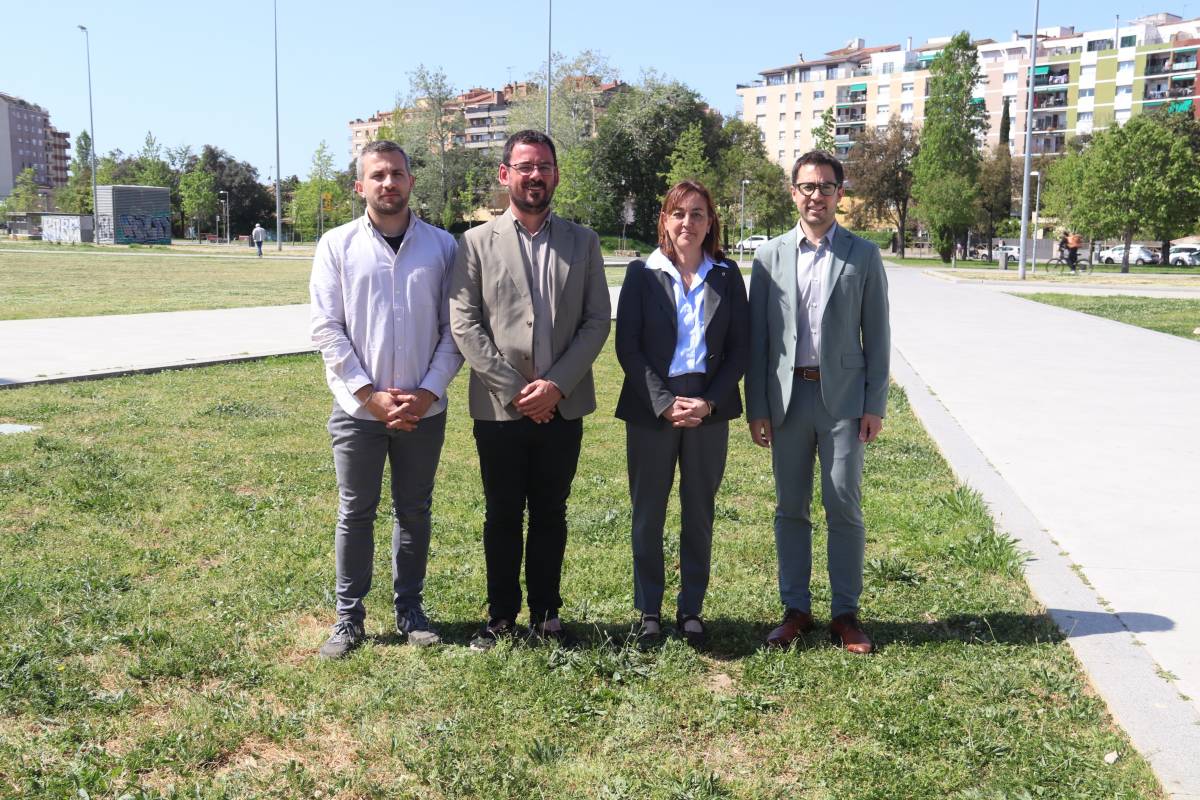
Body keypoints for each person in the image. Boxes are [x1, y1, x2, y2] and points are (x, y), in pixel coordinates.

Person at [449, 130, 611, 649]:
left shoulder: (583, 241)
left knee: (550, 513)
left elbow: (596, 321)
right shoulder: (475, 243)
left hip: (563, 406)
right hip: (500, 409)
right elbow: (465, 323)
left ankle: (546, 615)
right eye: (524, 167)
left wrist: (555, 386)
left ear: (556, 174)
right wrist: (517, 391)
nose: (535, 175)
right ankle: (500, 616)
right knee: (501, 513)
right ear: (505, 175)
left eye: (543, 166)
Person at [309, 140, 463, 659]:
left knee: (414, 511)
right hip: (358, 410)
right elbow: (326, 328)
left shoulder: (443, 247)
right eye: (377, 175)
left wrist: (427, 392)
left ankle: (410, 610)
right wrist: (368, 394)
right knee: (356, 511)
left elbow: (454, 330)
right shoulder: (336, 245)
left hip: (423, 411)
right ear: (361, 186)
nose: (388, 182)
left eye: (397, 173)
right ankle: (348, 618)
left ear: (411, 181)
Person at [745, 150, 891, 655]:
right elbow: (759, 340)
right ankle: (796, 610)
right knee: (791, 507)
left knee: (842, 503)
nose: (816, 196)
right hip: (786, 399)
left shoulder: (863, 255)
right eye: (807, 186)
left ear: (839, 195)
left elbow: (878, 335)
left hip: (843, 401)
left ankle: (845, 614)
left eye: (826, 187)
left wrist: (874, 404)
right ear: (794, 193)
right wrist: (757, 406)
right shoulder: (768, 256)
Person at [615, 180, 748, 648]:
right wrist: (664, 401)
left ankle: (691, 608)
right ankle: (649, 609)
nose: (687, 222)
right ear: (664, 221)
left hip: (708, 406)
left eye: (697, 213)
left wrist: (709, 401)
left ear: (710, 222)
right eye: (678, 213)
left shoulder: (727, 275)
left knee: (699, 512)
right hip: (652, 406)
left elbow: (740, 349)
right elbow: (628, 348)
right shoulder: (641, 274)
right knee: (647, 512)